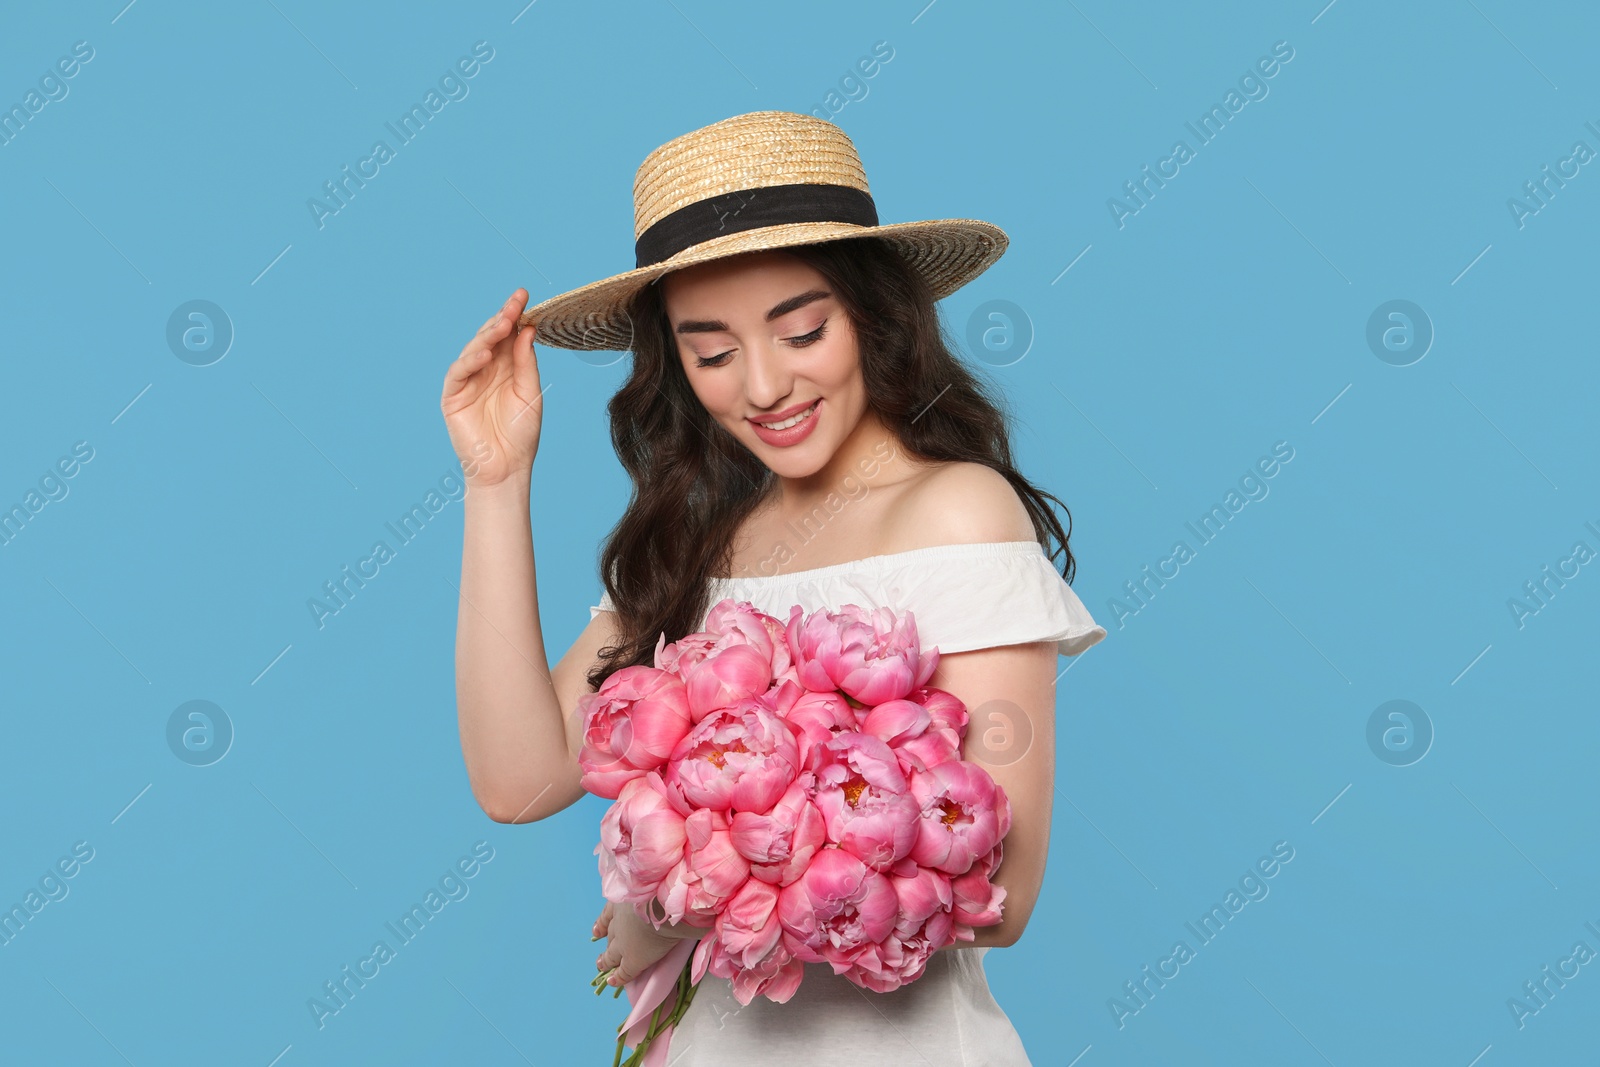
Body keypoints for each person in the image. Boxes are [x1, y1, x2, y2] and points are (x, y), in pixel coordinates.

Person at [440, 111, 1105, 1066]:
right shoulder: (695, 543)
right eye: (711, 353)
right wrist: (496, 484)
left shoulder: (958, 510)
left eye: (801, 330)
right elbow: (519, 779)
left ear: (873, 314)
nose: (763, 385)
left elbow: (1000, 890)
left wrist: (673, 911)